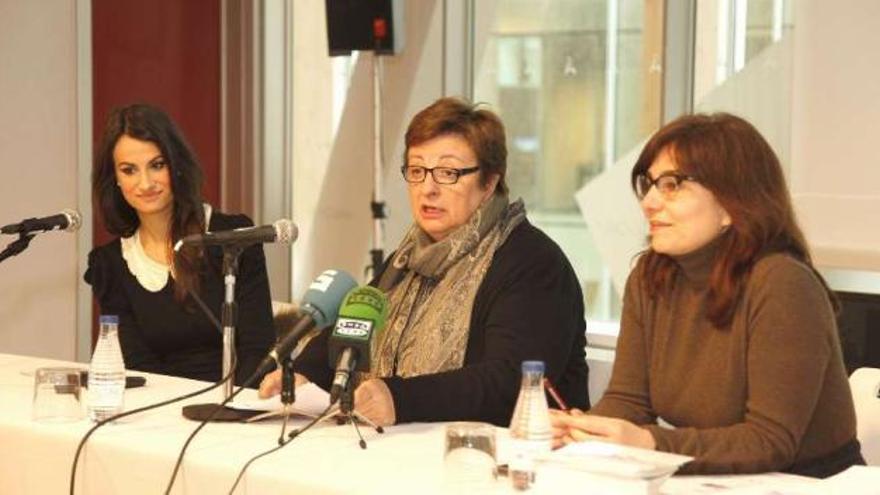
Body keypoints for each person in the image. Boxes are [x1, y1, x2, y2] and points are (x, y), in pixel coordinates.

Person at [550, 113, 864, 477]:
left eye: (671, 185)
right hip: (717, 481)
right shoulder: (651, 276)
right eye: (649, 184)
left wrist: (650, 444)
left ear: (733, 204)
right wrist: (584, 431)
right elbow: (629, 401)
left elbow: (769, 441)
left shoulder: (783, 284)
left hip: (807, 483)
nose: (649, 202)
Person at [260, 97, 589, 426]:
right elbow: (351, 332)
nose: (427, 189)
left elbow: (509, 382)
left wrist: (400, 399)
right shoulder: (407, 258)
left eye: (447, 173)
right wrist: (303, 375)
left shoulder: (532, 263)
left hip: (506, 461)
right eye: (417, 171)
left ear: (489, 182)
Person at [85, 103, 275, 386]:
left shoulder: (234, 237)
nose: (145, 183)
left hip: (239, 404)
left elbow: (257, 348)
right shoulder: (109, 264)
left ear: (177, 166)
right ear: (115, 180)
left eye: (157, 165)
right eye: (129, 170)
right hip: (161, 413)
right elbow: (138, 366)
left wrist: (228, 408)